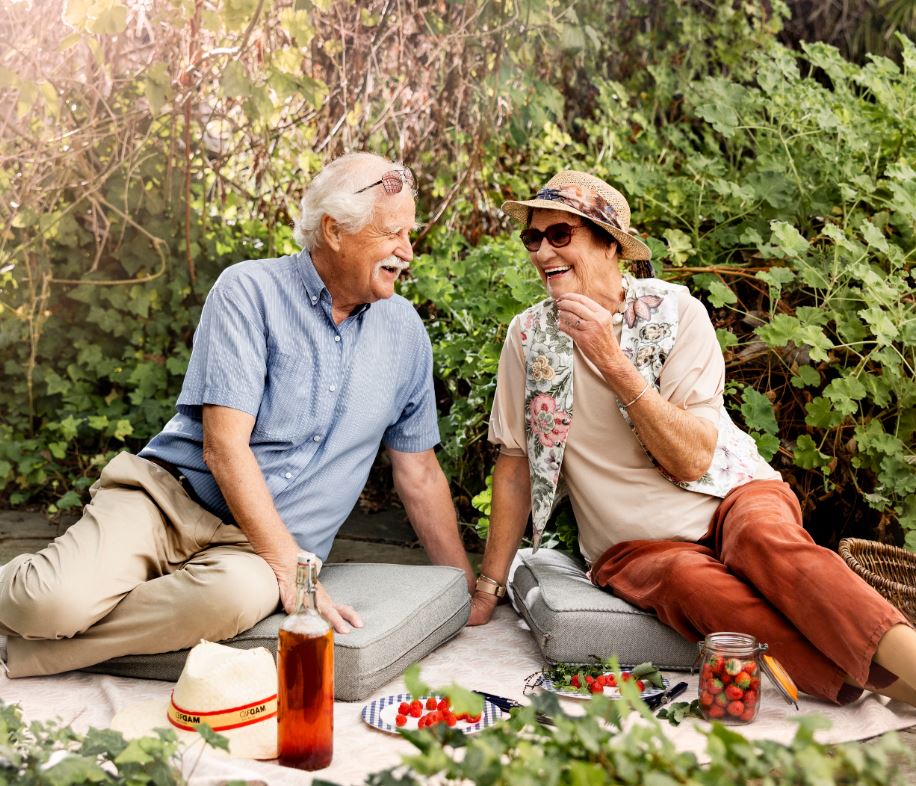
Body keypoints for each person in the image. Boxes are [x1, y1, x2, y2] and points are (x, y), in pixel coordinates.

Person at [0, 152, 475, 678]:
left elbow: (420, 472)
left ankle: (34, 653)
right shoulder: (249, 290)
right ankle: (45, 610)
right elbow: (223, 447)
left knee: (231, 598)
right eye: (393, 234)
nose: (407, 252)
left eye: (409, 234)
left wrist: (462, 588)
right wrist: (294, 574)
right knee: (45, 604)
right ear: (334, 231)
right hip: (169, 500)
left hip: (258, 552)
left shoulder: (405, 333)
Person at [467, 169, 916, 706]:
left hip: (733, 496)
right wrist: (489, 588)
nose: (542, 252)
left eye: (560, 234)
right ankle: (878, 687)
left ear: (611, 246)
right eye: (533, 238)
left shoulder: (676, 312)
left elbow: (692, 458)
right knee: (690, 580)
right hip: (636, 546)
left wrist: (612, 360)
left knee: (765, 542)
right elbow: (516, 464)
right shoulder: (527, 337)